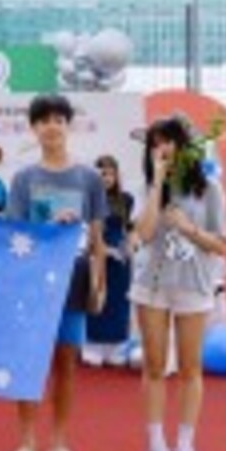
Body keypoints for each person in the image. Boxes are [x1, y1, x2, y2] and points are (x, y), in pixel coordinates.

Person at [4, 94, 106, 451]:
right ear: (34, 128)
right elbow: (14, 238)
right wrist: (48, 227)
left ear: (68, 125)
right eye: (44, 120)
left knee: (66, 364)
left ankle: (59, 444)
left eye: (58, 120)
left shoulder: (89, 178)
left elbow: (97, 238)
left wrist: (99, 283)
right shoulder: (24, 179)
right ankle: (27, 445)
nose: (51, 127)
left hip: (74, 282)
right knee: (30, 363)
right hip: (32, 285)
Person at [130, 116, 226, 451]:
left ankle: (185, 445)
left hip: (194, 284)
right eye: (156, 143)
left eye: (169, 141)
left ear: (185, 146)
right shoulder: (145, 187)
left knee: (190, 367)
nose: (163, 148)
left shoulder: (210, 189)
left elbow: (221, 243)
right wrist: (158, 184)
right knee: (155, 366)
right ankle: (156, 443)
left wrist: (190, 229)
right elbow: (142, 233)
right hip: (151, 286)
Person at [84, 155, 135, 366]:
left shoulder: (126, 199)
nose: (106, 178)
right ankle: (92, 344)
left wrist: (127, 248)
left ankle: (116, 345)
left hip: (119, 258)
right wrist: (98, 248)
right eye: (102, 173)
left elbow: (130, 229)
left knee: (118, 300)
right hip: (96, 255)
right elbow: (86, 228)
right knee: (96, 296)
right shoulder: (88, 199)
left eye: (111, 174)